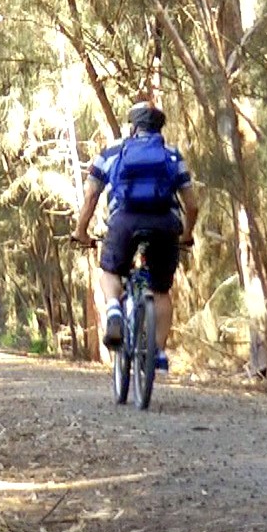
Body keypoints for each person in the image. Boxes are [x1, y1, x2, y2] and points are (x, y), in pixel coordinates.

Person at [74, 101, 198, 371]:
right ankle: (159, 353)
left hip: (124, 221)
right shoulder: (172, 155)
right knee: (161, 289)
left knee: (110, 271)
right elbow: (192, 204)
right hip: (166, 223)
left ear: (133, 125)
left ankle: (115, 310)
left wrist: (80, 231)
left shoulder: (112, 153)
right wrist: (186, 235)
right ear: (159, 127)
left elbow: (91, 195)